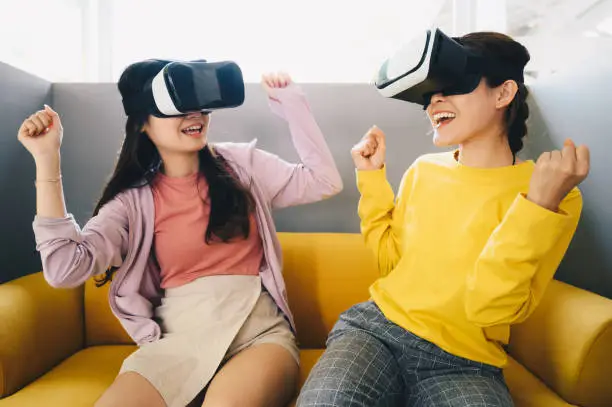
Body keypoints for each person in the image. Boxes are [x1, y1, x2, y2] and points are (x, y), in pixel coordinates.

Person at [18, 60, 343, 407]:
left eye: (199, 104)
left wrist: (291, 104)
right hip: (179, 340)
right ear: (143, 123)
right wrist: (46, 158)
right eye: (176, 107)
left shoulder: (242, 166)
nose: (195, 115)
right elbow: (64, 267)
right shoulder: (132, 203)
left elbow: (324, 181)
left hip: (258, 334)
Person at [297, 32, 590, 407]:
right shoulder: (424, 171)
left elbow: (491, 307)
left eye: (452, 85)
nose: (435, 100)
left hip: (464, 362)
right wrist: (372, 178)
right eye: (430, 92)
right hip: (376, 332)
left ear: (503, 93)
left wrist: (537, 205)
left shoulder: (554, 193)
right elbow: (391, 263)